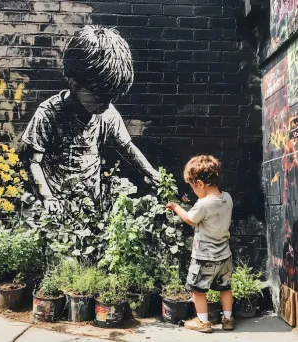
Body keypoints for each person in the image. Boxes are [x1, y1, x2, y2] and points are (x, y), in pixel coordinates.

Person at [21, 25, 159, 212]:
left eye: (111, 97)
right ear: (74, 83)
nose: (107, 103)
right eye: (100, 96)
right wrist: (47, 198)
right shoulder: (49, 113)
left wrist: (152, 174)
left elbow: (127, 148)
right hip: (55, 209)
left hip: (90, 210)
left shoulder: (107, 113)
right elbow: (33, 161)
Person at [166, 155, 234, 333]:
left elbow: (190, 219)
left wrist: (175, 207)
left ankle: (203, 322)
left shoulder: (203, 204)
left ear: (200, 184)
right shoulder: (227, 198)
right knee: (225, 288)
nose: (192, 189)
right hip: (225, 256)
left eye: (192, 185)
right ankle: (228, 319)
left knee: (198, 291)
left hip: (204, 257)